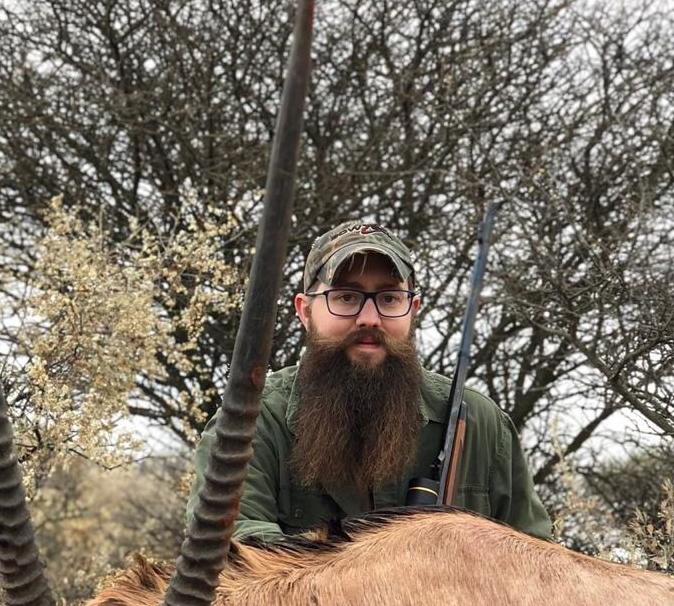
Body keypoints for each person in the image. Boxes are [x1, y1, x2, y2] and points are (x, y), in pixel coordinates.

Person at [187, 220, 552, 544]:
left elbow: (538, 564)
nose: (369, 318)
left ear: (413, 310)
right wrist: (374, 574)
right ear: (304, 311)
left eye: (389, 298)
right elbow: (234, 546)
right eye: (345, 297)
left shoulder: (482, 425)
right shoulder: (251, 422)